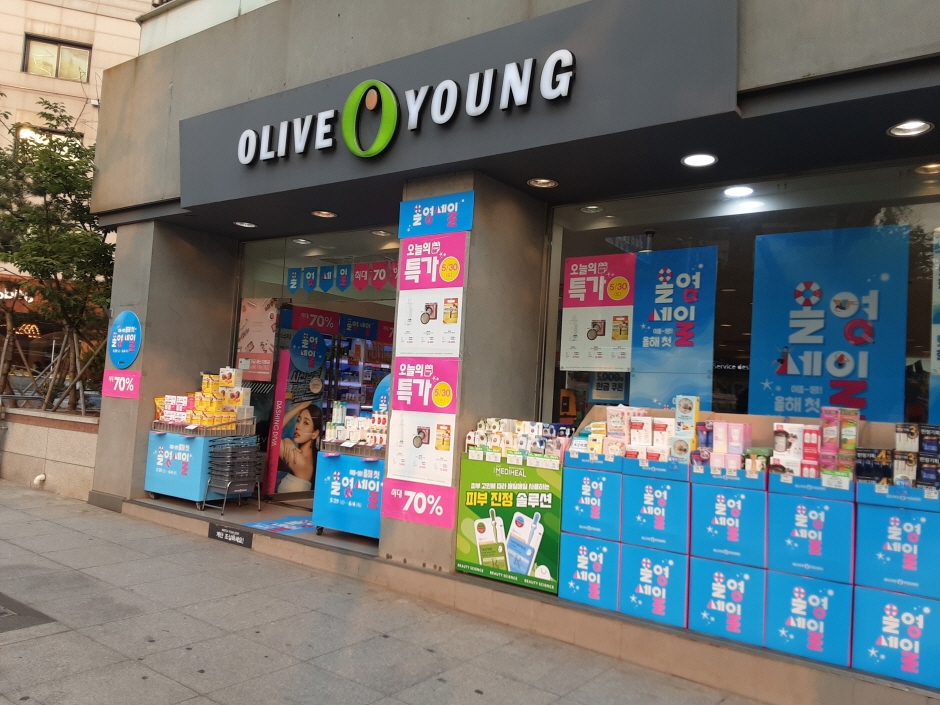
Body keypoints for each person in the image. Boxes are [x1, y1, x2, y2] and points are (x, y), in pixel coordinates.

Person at [276, 401, 322, 493]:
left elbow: (274, 433)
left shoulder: (301, 462)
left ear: (314, 434)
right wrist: (287, 440)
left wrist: (299, 407)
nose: (298, 427)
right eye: (298, 420)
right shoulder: (305, 459)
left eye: (305, 423)